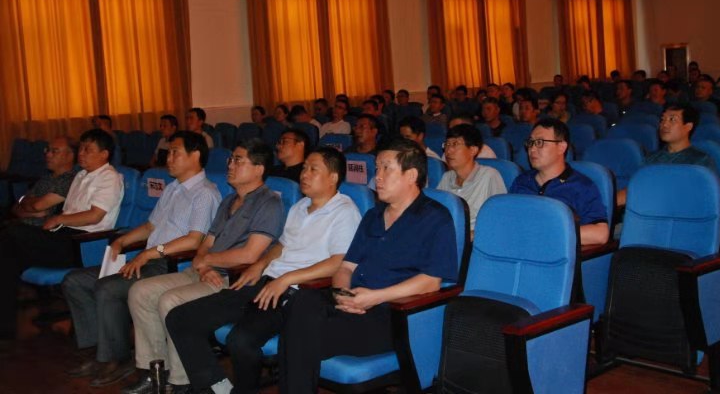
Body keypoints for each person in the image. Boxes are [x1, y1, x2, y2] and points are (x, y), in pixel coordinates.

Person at [165, 148, 361, 394]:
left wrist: (286, 279)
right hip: (265, 281)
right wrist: (259, 265)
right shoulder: (300, 206)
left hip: (296, 294)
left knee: (241, 340)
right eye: (304, 168)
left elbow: (339, 262)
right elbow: (281, 245)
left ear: (333, 177)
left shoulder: (345, 211)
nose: (304, 174)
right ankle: (217, 387)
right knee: (180, 318)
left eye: (313, 169)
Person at [277, 138, 458, 392]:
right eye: (377, 168)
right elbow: (346, 267)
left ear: (411, 175)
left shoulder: (435, 218)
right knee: (301, 301)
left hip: (392, 315)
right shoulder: (374, 215)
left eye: (386, 168)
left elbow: (430, 281)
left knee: (299, 335)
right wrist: (343, 294)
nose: (378, 176)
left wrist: (374, 297)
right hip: (353, 302)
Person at [124, 139, 285, 393]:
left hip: (230, 280)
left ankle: (181, 381)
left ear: (259, 168)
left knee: (170, 300)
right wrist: (203, 264)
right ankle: (155, 370)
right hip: (204, 272)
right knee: (140, 291)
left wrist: (208, 261)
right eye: (230, 159)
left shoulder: (269, 203)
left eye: (238, 160)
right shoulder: (228, 201)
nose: (230, 165)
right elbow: (206, 243)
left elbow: (249, 255)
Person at [62, 132, 220, 387]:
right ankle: (99, 350)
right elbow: (150, 226)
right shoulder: (172, 188)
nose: (168, 158)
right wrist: (121, 241)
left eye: (175, 152)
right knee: (75, 281)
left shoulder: (205, 193)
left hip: (170, 265)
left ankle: (117, 358)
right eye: (168, 152)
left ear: (196, 155)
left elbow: (194, 240)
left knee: (108, 288)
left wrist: (149, 252)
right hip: (149, 259)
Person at [0, 129, 124, 346]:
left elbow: (95, 215)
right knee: (7, 252)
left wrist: (59, 219)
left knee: (12, 234)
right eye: (81, 148)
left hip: (83, 243)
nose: (81, 153)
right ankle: (5, 327)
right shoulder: (81, 175)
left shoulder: (109, 177)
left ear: (104, 154)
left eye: (88, 149)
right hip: (63, 236)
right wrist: (59, 221)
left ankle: (5, 328)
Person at [509, 118, 608, 246]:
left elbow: (600, 233)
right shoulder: (521, 181)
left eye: (540, 142)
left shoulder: (581, 186)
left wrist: (547, 233)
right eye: (530, 142)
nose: (532, 149)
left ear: (561, 147)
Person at [616, 104, 715, 206]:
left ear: (688, 126)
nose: (664, 124)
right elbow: (634, 189)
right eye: (662, 120)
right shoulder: (651, 159)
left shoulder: (701, 161)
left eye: (672, 120)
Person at [437, 124, 506, 236]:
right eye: (447, 144)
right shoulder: (446, 177)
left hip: (476, 239)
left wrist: (471, 235)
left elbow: (500, 218)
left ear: (473, 150)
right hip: (447, 236)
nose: (448, 151)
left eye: (455, 144)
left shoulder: (489, 175)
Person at [11, 136, 78, 226]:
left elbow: (37, 206)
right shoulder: (46, 178)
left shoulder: (71, 179)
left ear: (70, 156)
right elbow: (16, 206)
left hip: (43, 230)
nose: (48, 155)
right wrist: (32, 212)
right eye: (47, 150)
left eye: (54, 151)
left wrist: (25, 204)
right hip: (22, 224)